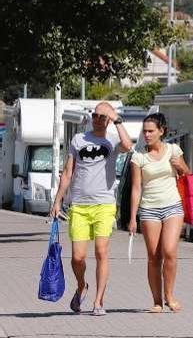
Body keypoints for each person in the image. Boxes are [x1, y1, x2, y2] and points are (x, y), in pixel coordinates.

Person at [49, 102, 134, 316]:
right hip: (79, 205)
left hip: (104, 204)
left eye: (102, 116)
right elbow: (68, 172)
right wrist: (58, 200)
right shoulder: (78, 139)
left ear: (108, 120)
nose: (98, 119)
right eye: (95, 115)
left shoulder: (112, 140)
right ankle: (81, 286)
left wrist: (117, 120)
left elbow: (129, 146)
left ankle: (98, 301)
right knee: (78, 257)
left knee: (101, 252)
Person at [127, 113, 190, 313]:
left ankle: (169, 295)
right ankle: (157, 301)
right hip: (149, 209)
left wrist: (181, 166)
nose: (146, 134)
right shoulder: (138, 157)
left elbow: (187, 174)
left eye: (151, 131)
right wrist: (132, 218)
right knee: (154, 257)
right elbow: (136, 188)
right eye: (144, 131)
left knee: (169, 251)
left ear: (161, 131)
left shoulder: (173, 150)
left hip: (173, 206)